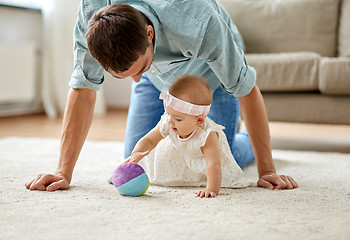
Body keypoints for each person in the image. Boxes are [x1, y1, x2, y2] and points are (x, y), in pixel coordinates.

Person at [25, 0, 297, 192]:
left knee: (221, 162)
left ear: (149, 33)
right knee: (136, 160)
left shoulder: (198, 23)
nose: (135, 80)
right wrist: (63, 172)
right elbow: (84, 90)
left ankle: (246, 142)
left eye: (138, 69)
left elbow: (246, 90)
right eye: (125, 76)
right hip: (158, 78)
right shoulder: (92, 16)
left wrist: (267, 170)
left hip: (207, 77)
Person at [125, 75, 252, 198]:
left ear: (199, 121)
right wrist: (136, 153)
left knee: (235, 156)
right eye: (168, 113)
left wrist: (211, 189)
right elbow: (149, 140)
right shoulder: (168, 122)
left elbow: (214, 163)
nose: (170, 120)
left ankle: (248, 137)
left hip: (203, 157)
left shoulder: (207, 135)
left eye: (178, 119)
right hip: (182, 153)